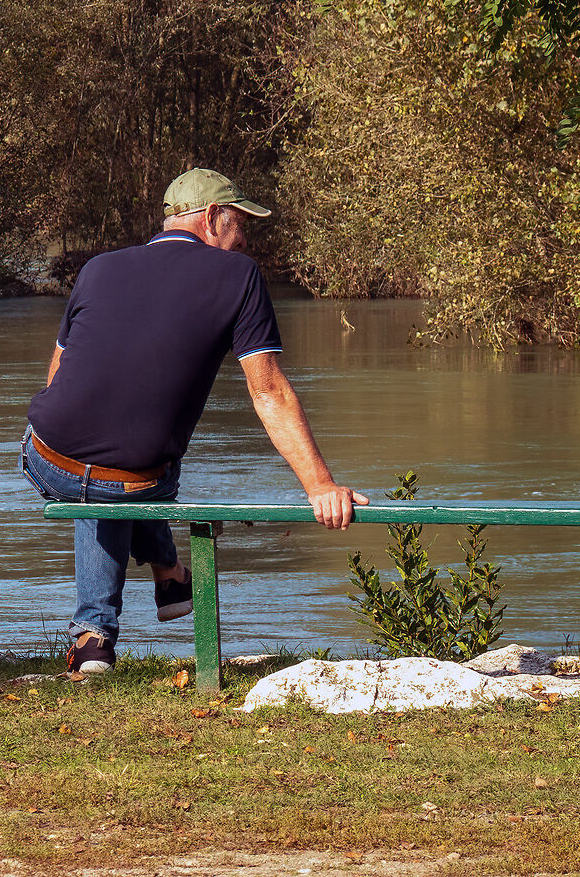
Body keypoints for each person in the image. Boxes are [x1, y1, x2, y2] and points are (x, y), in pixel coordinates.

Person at [20, 167, 367, 674]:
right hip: (139, 481)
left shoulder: (98, 267)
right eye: (240, 223)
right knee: (130, 474)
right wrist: (320, 484)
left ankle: (95, 638)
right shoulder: (240, 276)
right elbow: (268, 390)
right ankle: (163, 571)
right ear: (211, 218)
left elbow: (57, 375)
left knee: (100, 475)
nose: (245, 237)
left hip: (45, 454)